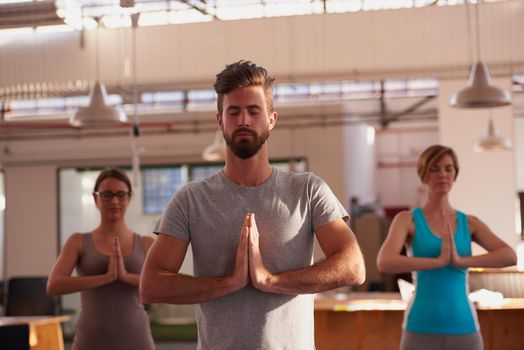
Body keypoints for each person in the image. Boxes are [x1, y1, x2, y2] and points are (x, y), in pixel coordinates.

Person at [140, 60, 366, 349]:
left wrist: (270, 280)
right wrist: (229, 283)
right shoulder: (191, 199)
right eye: (233, 112)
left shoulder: (308, 190)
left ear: (271, 119)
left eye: (253, 111)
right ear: (220, 120)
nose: (244, 120)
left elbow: (353, 267)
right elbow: (151, 285)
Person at [376, 144, 517, 350]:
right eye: (435, 168)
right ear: (424, 173)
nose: (442, 174)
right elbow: (384, 262)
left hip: (464, 326)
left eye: (448, 168)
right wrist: (437, 262)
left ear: (455, 174)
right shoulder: (407, 220)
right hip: (420, 326)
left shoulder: (469, 222)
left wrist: (461, 261)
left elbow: (509, 256)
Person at [47, 167, 155, 350]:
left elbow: (160, 288)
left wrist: (125, 276)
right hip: (91, 339)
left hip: (136, 339)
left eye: (121, 194)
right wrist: (105, 278)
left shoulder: (146, 243)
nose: (114, 201)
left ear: (129, 197)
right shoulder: (78, 241)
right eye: (107, 194)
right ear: (95, 198)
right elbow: (54, 285)